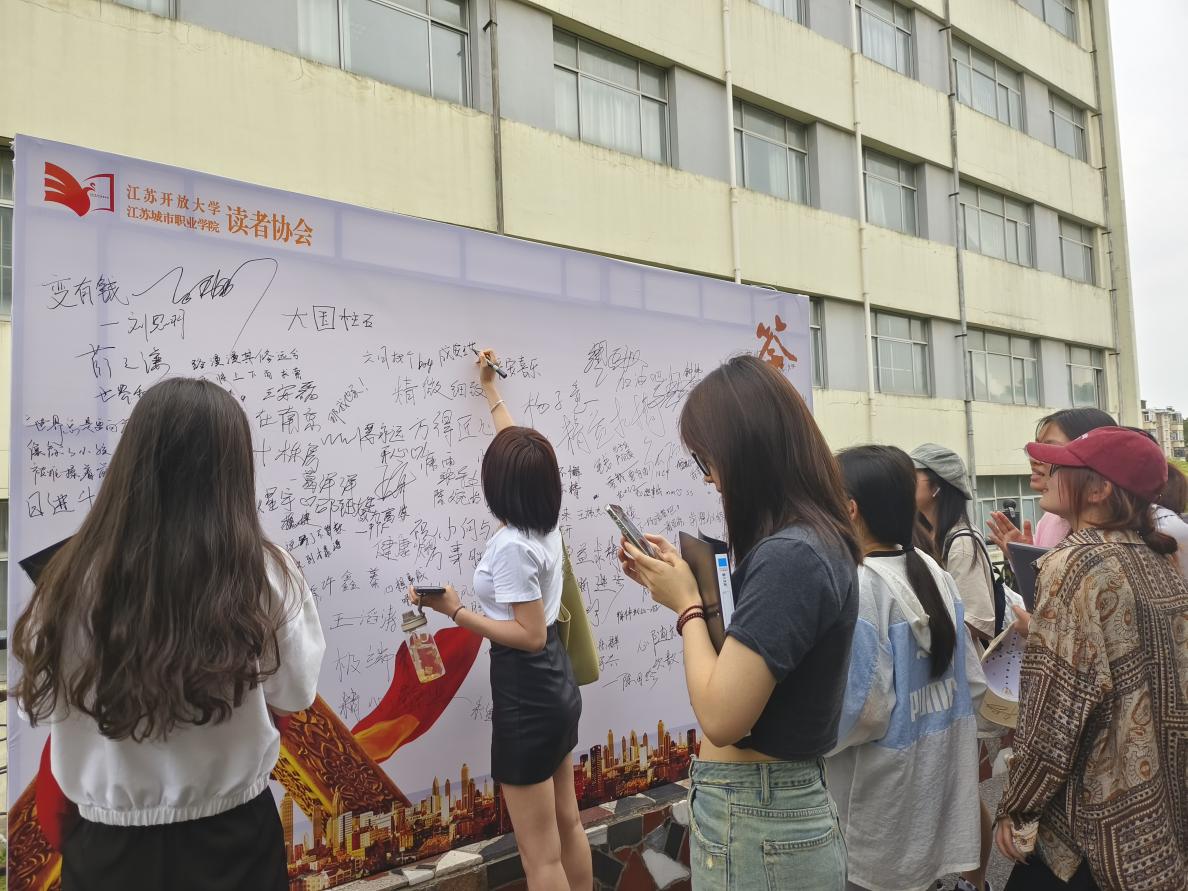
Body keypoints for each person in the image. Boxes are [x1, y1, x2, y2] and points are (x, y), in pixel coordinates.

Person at [11, 377, 326, 891]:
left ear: (132, 463)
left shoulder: (67, 577)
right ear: (232, 470)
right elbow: (295, 692)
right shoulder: (266, 572)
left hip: (109, 850)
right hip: (233, 841)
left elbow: (38, 710)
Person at [618, 355, 859, 891]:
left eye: (709, 460)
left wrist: (686, 606)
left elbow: (723, 716)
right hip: (765, 812)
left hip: (759, 819)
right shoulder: (810, 542)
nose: (711, 479)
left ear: (745, 452)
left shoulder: (792, 555)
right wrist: (686, 587)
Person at [411, 348, 590, 891]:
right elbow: (518, 451)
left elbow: (529, 636)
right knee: (569, 822)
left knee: (541, 859)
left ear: (502, 488)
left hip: (527, 693)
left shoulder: (512, 546)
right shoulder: (544, 523)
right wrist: (491, 391)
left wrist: (456, 611)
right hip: (555, 685)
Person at [994, 427, 1188, 890]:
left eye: (1062, 467)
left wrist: (1018, 805)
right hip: (1155, 810)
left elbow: (1056, 708)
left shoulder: (1073, 563)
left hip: (1089, 820)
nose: (1048, 473)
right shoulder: (1155, 558)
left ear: (1099, 489)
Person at [829, 446, 987, 891]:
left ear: (850, 509)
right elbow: (973, 684)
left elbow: (860, 713)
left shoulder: (862, 585)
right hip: (930, 797)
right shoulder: (932, 570)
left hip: (879, 811)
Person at [909, 443, 997, 891]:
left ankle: (975, 882)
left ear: (937, 487)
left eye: (915, 475)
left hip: (963, 682)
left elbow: (978, 619)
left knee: (965, 790)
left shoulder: (960, 542)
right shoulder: (929, 536)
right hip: (946, 680)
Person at [986, 409, 1116, 554]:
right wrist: (1024, 558)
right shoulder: (1049, 520)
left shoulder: (1109, 547)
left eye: (1050, 449)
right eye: (1036, 448)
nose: (1033, 459)